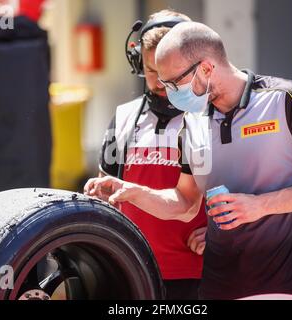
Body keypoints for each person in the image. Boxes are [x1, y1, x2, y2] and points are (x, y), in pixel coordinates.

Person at [85, 21, 292, 299]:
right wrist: (135, 192)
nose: (168, 92)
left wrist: (259, 205)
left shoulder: (285, 99)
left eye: (174, 82)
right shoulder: (191, 122)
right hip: (216, 286)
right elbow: (186, 202)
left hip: (285, 283)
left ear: (206, 68)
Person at [96, 12, 207, 300]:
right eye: (150, 70)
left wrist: (224, 234)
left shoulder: (214, 115)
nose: (159, 81)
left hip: (200, 273)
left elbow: (247, 187)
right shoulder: (124, 116)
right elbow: (106, 188)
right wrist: (97, 192)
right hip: (132, 268)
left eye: (167, 70)